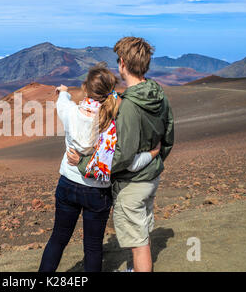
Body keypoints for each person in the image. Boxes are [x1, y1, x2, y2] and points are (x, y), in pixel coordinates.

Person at [39, 63, 161, 272]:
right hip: (97, 190)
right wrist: (151, 154)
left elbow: (62, 101)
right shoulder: (113, 119)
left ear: (86, 88)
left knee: (58, 239)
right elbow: (126, 158)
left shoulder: (71, 112)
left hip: (68, 183)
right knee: (93, 247)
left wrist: (64, 92)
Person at [67, 37, 174, 272]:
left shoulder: (128, 106)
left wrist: (84, 164)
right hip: (151, 177)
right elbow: (168, 135)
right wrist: (153, 159)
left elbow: (121, 156)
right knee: (142, 230)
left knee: (137, 242)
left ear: (122, 63)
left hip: (132, 184)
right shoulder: (159, 95)